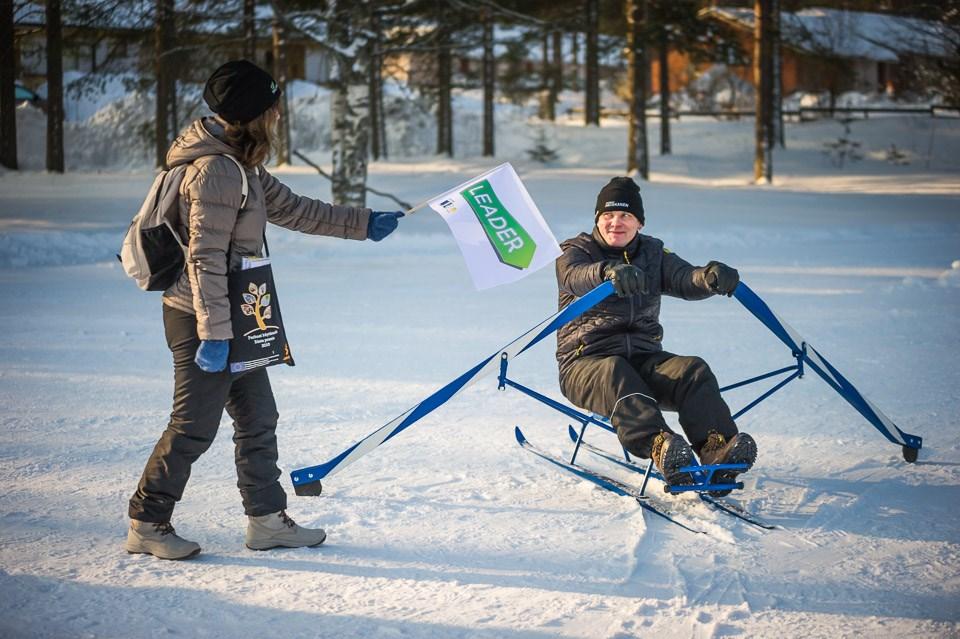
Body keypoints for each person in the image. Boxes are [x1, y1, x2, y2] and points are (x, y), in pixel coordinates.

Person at [125, 60, 404, 560]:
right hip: (202, 314)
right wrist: (213, 334)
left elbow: (296, 208)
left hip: (237, 312)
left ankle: (267, 521)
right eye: (274, 104)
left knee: (258, 417)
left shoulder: (240, 163)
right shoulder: (215, 171)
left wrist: (363, 222)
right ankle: (147, 522)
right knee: (193, 424)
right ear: (255, 112)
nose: (279, 112)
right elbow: (203, 256)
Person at [555, 177, 756, 491]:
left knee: (692, 370)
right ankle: (661, 447)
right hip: (585, 365)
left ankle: (716, 449)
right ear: (597, 219)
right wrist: (606, 272)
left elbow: (683, 277)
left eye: (625, 216)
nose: (615, 223)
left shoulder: (652, 252)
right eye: (607, 216)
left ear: (640, 222)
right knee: (614, 371)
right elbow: (573, 276)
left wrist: (709, 277)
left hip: (644, 359)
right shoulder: (577, 250)